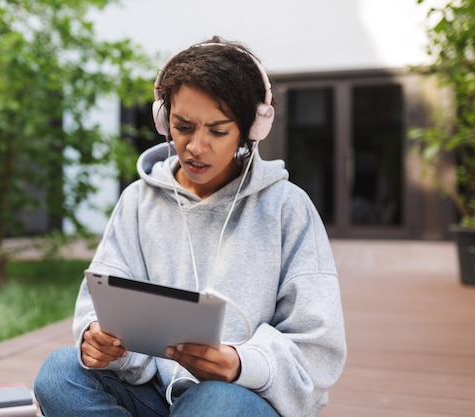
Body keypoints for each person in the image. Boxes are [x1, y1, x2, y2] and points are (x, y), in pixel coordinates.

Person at [34, 36, 347, 417]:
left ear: (251, 128)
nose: (196, 147)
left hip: (239, 399)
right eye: (183, 127)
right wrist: (97, 339)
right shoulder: (137, 201)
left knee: (212, 402)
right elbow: (100, 299)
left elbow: (317, 348)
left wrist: (240, 363)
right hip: (154, 391)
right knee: (58, 374)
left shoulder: (287, 208)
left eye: (217, 131)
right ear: (164, 121)